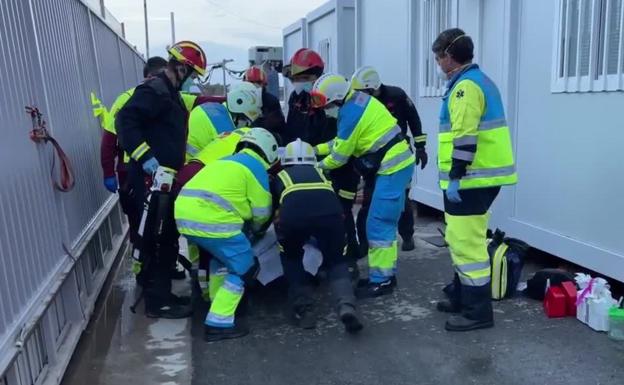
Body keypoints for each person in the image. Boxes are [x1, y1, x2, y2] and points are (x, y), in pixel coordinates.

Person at [431, 28, 517, 331]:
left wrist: (455, 176)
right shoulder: (479, 81)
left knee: (467, 243)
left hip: (470, 179)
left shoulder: (465, 88)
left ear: (449, 57)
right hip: (477, 177)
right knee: (460, 237)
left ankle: (477, 311)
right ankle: (461, 295)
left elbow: (464, 138)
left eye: (439, 58)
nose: (438, 64)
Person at [117, 40, 208, 319]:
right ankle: (158, 302)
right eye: (191, 74)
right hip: (151, 179)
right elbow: (125, 121)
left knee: (166, 236)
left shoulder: (169, 93)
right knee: (159, 239)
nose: (191, 81)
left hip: (164, 178)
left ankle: (162, 293)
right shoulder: (154, 91)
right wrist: (146, 158)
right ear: (181, 68)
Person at [310, 74, 415, 299]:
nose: (323, 108)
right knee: (379, 223)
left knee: (379, 224)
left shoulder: (350, 114)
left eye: (323, 102)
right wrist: (314, 150)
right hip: (396, 165)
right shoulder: (356, 102)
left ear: (335, 97)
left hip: (392, 167)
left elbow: (338, 157)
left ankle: (382, 281)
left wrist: (313, 166)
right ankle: (385, 275)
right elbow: (341, 142)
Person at [175, 128, 278, 342]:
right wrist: (257, 230)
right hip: (213, 220)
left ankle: (215, 300)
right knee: (245, 268)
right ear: (269, 151)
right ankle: (218, 322)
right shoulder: (256, 167)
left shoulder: (224, 160)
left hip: (184, 215)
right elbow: (262, 211)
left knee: (220, 258)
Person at [272, 139, 363, 333]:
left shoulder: (280, 176)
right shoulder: (322, 173)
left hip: (294, 217)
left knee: (291, 257)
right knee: (337, 260)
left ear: (285, 160)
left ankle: (305, 310)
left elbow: (272, 211)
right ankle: (346, 306)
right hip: (331, 214)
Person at [285, 48, 362, 268]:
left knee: (341, 212)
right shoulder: (296, 99)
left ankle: (348, 260)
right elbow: (293, 128)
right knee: (315, 212)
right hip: (310, 162)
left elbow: (339, 140)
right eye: (296, 79)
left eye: (305, 78)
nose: (300, 83)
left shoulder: (332, 97)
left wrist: (321, 160)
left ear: (317, 76)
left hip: (340, 166)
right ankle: (320, 260)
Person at [350, 66, 428, 252]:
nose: (361, 96)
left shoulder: (397, 95)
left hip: (397, 158)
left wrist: (420, 147)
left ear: (374, 88)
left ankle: (407, 235)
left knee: (400, 200)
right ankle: (364, 243)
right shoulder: (360, 103)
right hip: (372, 160)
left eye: (364, 92)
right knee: (369, 201)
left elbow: (414, 120)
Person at [100, 57, 168, 245]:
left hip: (163, 170)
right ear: (150, 77)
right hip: (132, 171)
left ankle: (164, 265)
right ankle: (142, 268)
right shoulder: (126, 99)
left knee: (164, 220)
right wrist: (108, 172)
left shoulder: (169, 98)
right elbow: (109, 140)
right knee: (138, 219)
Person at [185, 81, 262, 161]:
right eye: (244, 119)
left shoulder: (208, 107)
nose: (243, 125)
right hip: (189, 166)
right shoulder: (224, 128)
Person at [243, 65, 286, 141]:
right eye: (251, 82)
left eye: (258, 82)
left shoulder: (272, 102)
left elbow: (280, 128)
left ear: (264, 84)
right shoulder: (238, 101)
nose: (254, 85)